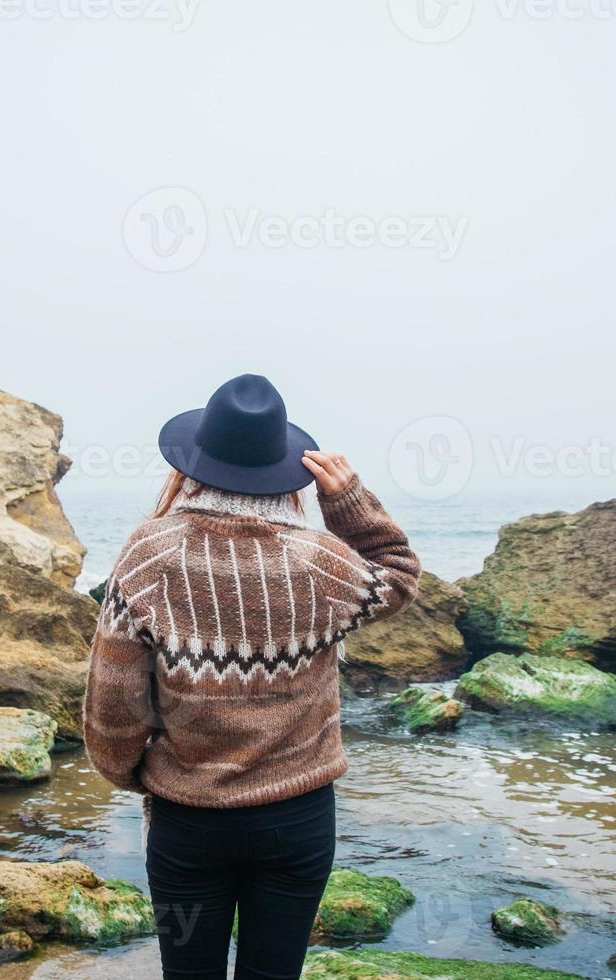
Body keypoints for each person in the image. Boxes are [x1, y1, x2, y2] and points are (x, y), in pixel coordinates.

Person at [82, 373, 421, 980]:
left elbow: (115, 706)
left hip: (188, 821)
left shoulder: (148, 555)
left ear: (191, 463)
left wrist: (139, 777)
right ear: (285, 470)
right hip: (298, 819)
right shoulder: (320, 562)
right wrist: (348, 500)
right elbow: (397, 574)